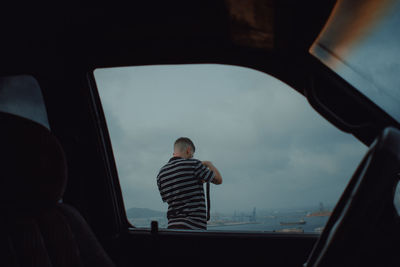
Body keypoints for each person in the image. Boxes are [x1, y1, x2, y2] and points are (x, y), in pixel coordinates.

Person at [156, 137, 222, 230]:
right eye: (192, 155)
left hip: (172, 228)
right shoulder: (194, 164)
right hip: (194, 228)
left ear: (174, 153)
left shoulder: (161, 174)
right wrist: (208, 164)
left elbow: (177, 194)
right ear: (188, 150)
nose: (192, 157)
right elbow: (219, 180)